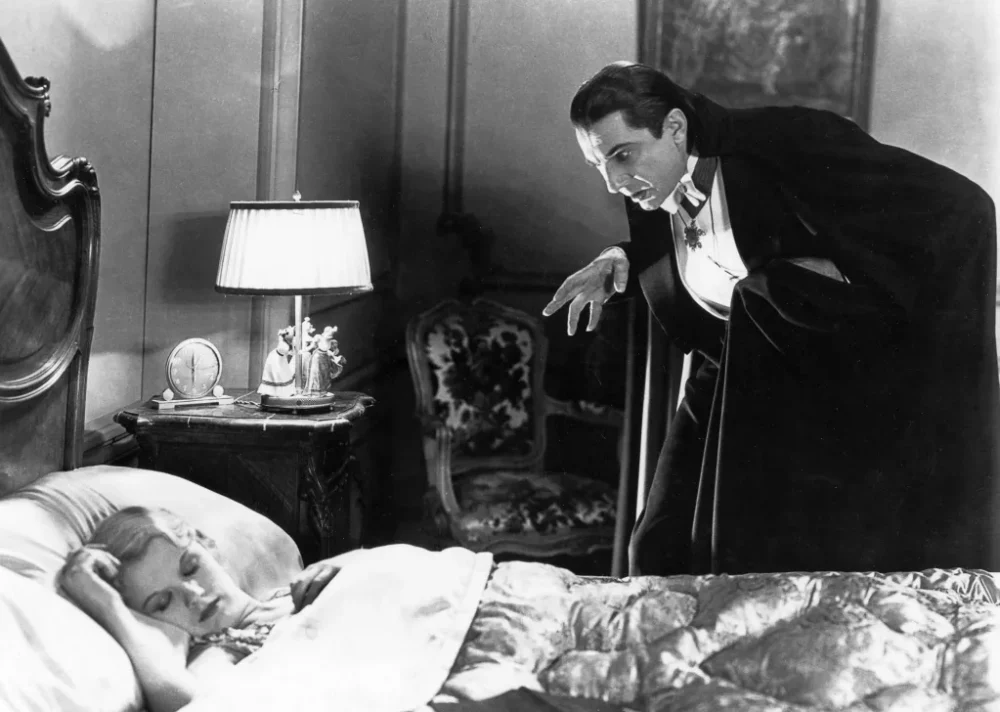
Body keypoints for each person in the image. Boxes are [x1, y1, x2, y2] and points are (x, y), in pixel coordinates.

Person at [543, 61, 999, 577]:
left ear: (675, 127)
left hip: (826, 389)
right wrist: (621, 258)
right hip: (728, 370)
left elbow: (964, 208)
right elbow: (697, 250)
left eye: (622, 155)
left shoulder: (785, 142)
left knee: (748, 555)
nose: (613, 182)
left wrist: (845, 274)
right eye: (598, 165)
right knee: (656, 546)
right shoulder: (650, 185)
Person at [59, 507, 351, 712]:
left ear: (208, 546)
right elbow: (196, 705)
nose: (194, 595)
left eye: (191, 568)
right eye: (163, 603)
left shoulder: (296, 589)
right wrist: (110, 608)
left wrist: (352, 564)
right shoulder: (219, 652)